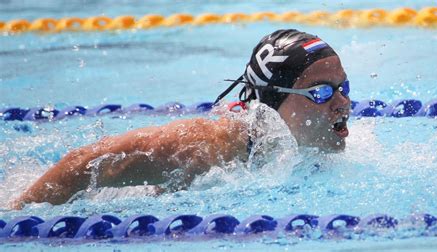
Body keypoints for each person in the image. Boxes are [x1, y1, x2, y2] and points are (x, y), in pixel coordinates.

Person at [11, 29, 350, 209]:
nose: (342, 103)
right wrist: (17, 213)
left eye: (342, 87)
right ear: (274, 101)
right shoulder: (206, 147)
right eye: (321, 92)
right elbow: (82, 162)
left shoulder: (311, 149)